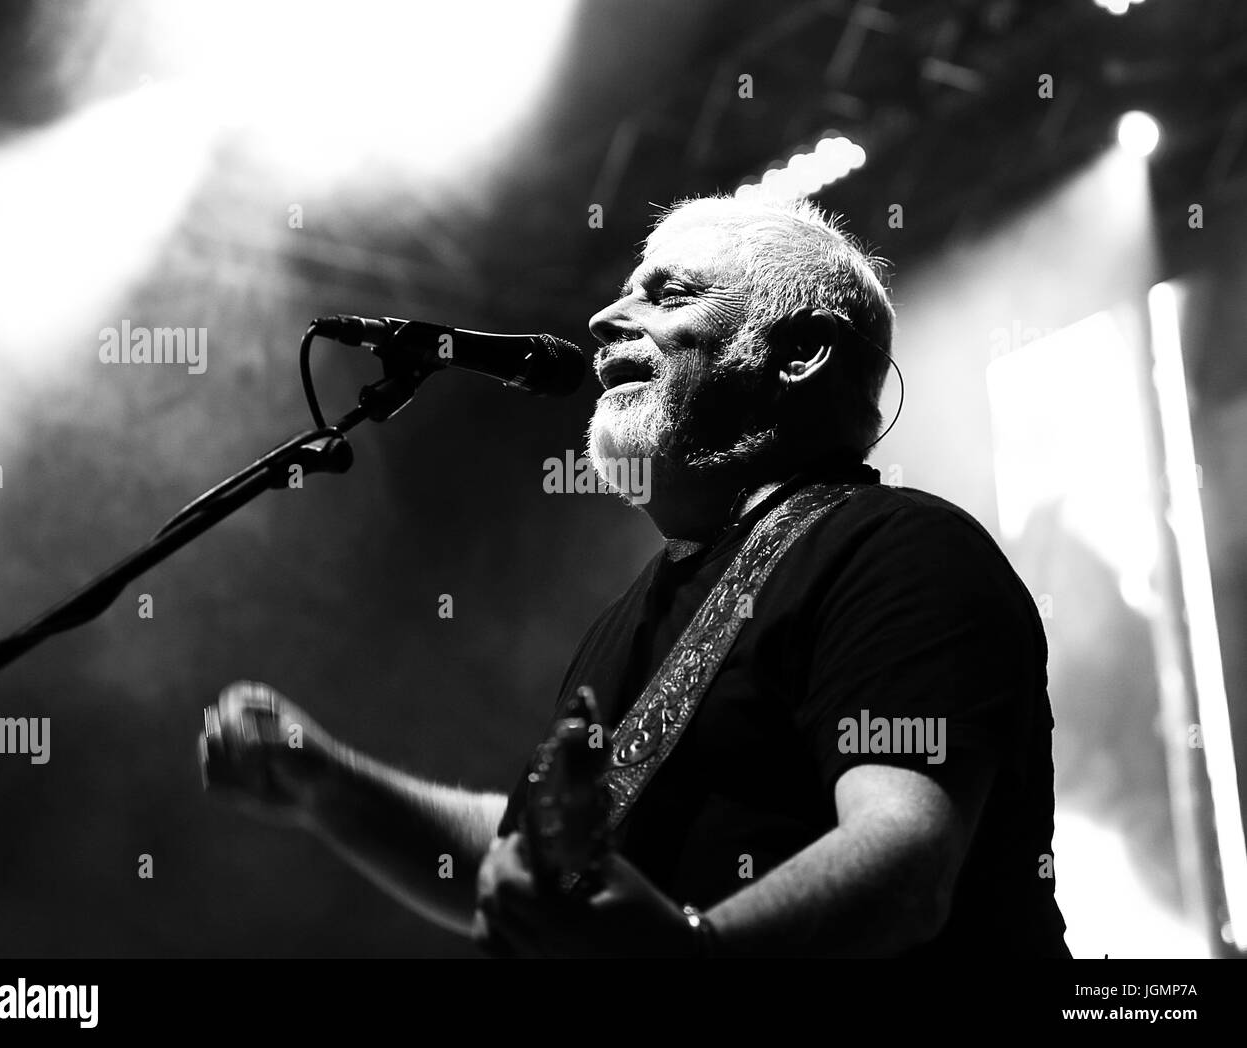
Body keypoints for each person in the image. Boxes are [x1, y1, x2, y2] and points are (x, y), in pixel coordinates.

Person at [198, 193, 1070, 958]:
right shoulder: (632, 618)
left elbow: (907, 865)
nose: (606, 320)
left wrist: (693, 958)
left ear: (799, 352)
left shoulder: (901, 551)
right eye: (623, 292)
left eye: (668, 294)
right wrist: (330, 783)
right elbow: (532, 871)